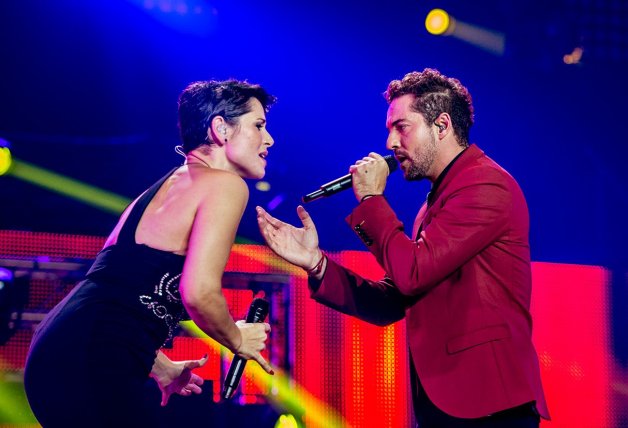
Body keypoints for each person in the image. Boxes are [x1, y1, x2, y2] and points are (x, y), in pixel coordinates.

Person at [257, 68, 550, 427]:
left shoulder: (486, 185)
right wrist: (316, 264)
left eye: (402, 127)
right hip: (445, 403)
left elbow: (413, 273)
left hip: (488, 402)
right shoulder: (436, 203)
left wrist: (370, 198)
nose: (391, 144)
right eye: (389, 130)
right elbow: (393, 299)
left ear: (441, 126)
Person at [24, 79, 276, 427]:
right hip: (93, 351)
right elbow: (199, 293)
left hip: (59, 345)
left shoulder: (171, 184)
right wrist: (237, 338)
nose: (269, 139)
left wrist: (159, 364)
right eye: (259, 125)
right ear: (221, 128)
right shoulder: (226, 185)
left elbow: (124, 286)